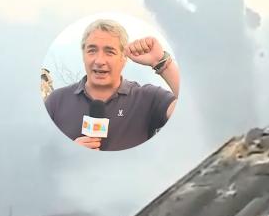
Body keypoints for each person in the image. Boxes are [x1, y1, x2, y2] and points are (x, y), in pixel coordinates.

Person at [44, 18, 180, 151]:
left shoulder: (148, 98)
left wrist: (161, 62)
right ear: (83, 55)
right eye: (92, 50)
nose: (99, 60)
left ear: (124, 58)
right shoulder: (56, 101)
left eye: (110, 52)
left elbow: (188, 114)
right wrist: (69, 152)